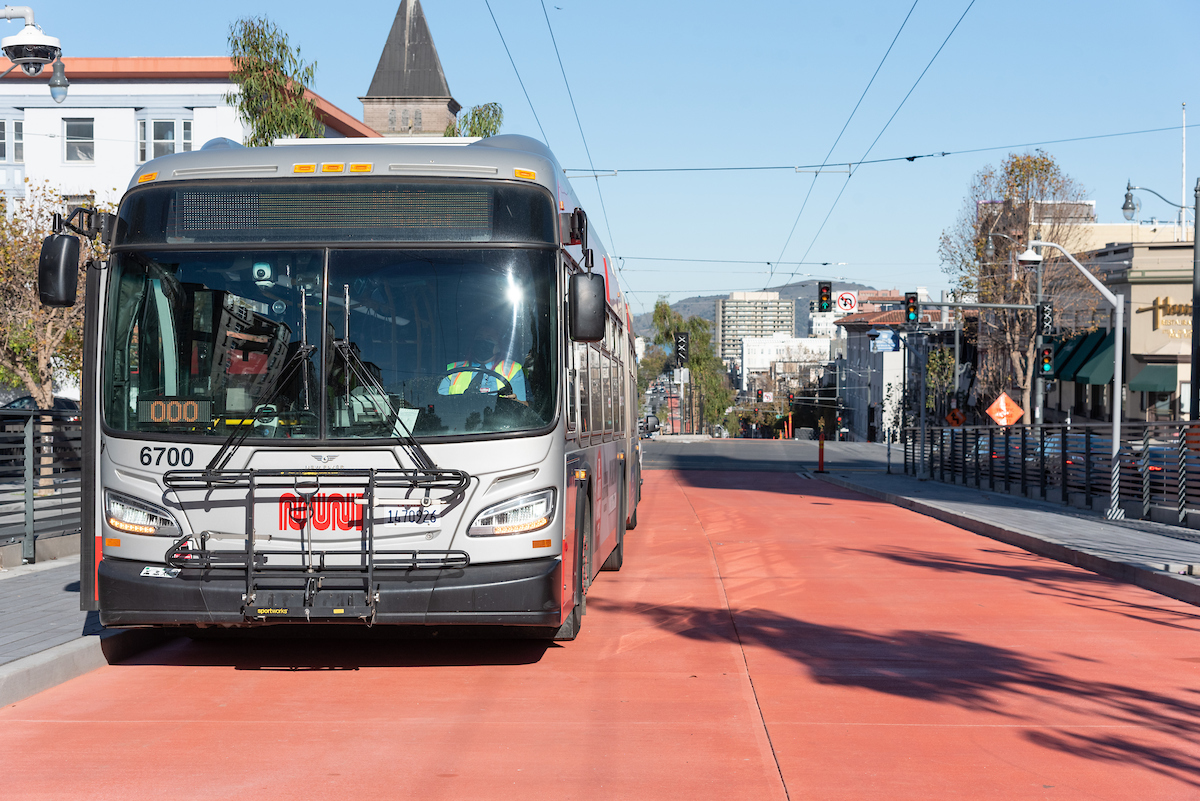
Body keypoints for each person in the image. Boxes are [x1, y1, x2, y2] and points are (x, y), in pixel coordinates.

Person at [438, 317, 527, 401]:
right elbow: (440, 403)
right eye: (479, 338)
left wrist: (514, 403)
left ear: (499, 346)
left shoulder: (512, 370)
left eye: (489, 339)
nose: (483, 341)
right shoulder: (453, 369)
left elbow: (521, 406)